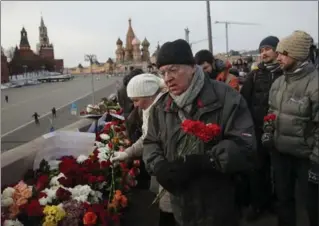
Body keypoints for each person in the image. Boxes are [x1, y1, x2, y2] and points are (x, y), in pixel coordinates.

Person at [143, 39, 256, 226]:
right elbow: (151, 142)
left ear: (192, 68)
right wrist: (159, 166)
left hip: (218, 205)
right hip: (180, 205)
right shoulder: (162, 106)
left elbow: (245, 146)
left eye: (173, 70)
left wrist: (206, 162)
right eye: (162, 72)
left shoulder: (226, 98)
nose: (167, 78)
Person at [262, 31, 318, 226]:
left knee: (313, 205)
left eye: (283, 53)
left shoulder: (315, 84)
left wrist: (317, 163)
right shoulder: (278, 82)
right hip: (280, 155)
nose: (279, 57)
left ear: (297, 54)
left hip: (306, 159)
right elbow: (271, 112)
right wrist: (268, 131)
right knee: (283, 200)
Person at [110, 73, 174, 225]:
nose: (136, 105)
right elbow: (147, 138)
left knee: (169, 214)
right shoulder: (150, 109)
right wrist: (127, 153)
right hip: (161, 168)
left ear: (150, 95)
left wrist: (128, 152)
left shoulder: (163, 110)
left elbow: (149, 140)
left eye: (137, 100)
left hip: (170, 170)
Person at [240, 35, 282, 221]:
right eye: (261, 50)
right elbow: (244, 102)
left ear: (277, 50)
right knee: (258, 168)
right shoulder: (255, 74)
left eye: (267, 49)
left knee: (279, 170)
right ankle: (258, 204)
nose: (264, 53)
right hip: (257, 129)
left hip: (280, 130)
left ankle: (276, 202)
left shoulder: (284, 73)